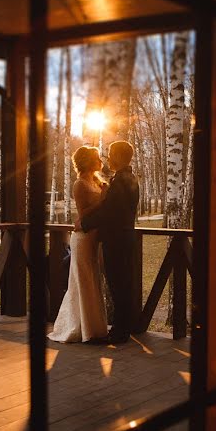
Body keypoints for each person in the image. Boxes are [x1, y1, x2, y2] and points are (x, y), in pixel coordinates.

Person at [47, 146, 109, 343]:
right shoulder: (79, 184)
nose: (101, 160)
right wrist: (104, 199)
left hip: (94, 238)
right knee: (83, 281)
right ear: (87, 161)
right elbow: (83, 214)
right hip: (82, 238)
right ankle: (82, 329)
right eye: (97, 157)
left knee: (93, 280)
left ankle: (95, 328)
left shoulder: (97, 180)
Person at [81, 140, 139, 344]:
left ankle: (120, 331)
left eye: (111, 154)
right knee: (122, 284)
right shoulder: (126, 178)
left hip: (117, 240)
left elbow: (110, 212)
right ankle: (123, 328)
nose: (108, 158)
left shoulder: (122, 181)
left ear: (120, 157)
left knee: (118, 285)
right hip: (123, 238)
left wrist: (84, 223)